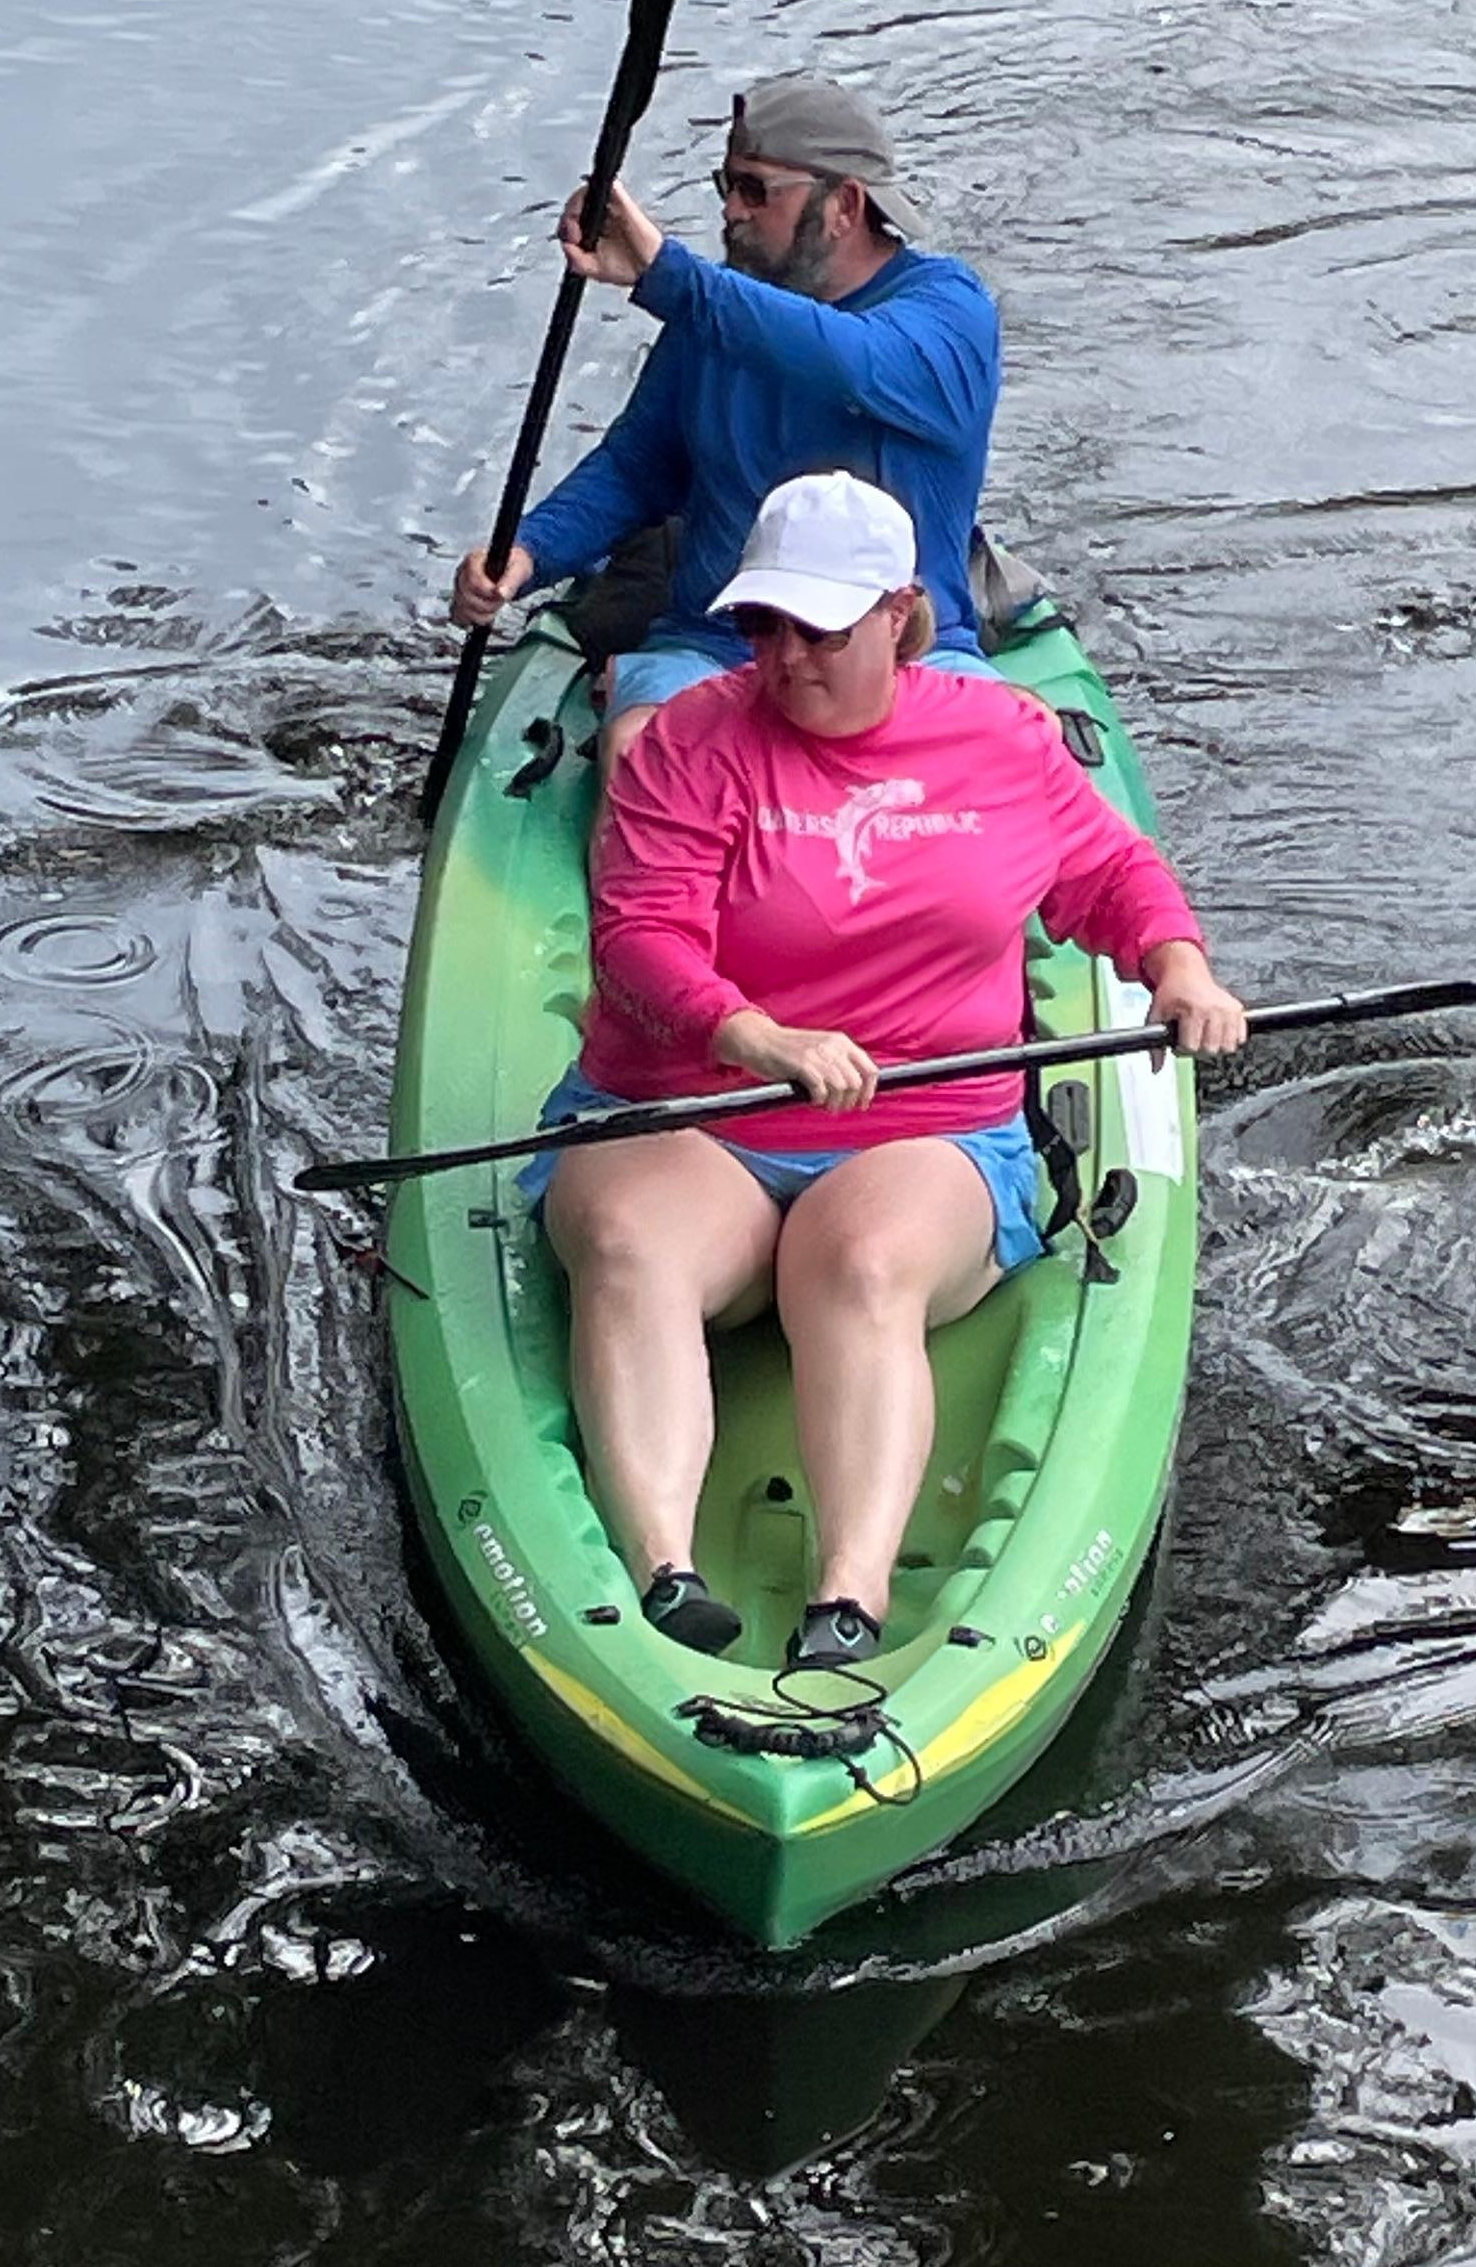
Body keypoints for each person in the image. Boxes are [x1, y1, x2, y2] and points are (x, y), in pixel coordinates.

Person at [524, 471, 1247, 1674]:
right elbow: (641, 938)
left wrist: (1178, 968)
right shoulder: (691, 740)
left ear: (899, 615)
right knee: (631, 1244)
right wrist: (755, 1036)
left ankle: (849, 1599)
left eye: (820, 631)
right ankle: (662, 1575)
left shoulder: (1001, 738)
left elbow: (1109, 876)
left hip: (927, 1126)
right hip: (692, 1112)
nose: (786, 658)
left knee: (856, 1263)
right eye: (766, 626)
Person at [448, 74, 1003, 780]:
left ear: (845, 205)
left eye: (756, 190)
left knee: (1002, 760)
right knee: (637, 755)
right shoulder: (714, 316)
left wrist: (670, 277)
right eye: (726, 185)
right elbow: (637, 469)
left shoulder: (949, 312)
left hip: (911, 652)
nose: (731, 211)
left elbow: (851, 363)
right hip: (716, 645)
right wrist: (528, 552)